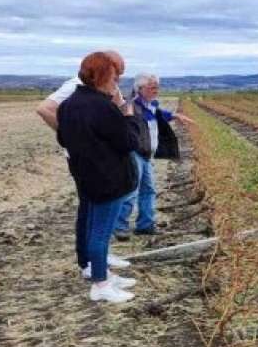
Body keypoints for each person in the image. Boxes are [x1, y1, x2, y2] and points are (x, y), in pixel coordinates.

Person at [36, 49, 132, 271]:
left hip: (96, 158)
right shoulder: (76, 88)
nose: (119, 79)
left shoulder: (99, 91)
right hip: (88, 161)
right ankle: (89, 263)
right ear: (106, 69)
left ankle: (99, 258)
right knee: (90, 212)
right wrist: (76, 139)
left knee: (99, 214)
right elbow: (44, 109)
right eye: (117, 73)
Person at [56, 52, 140, 304]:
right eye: (114, 76)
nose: (116, 82)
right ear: (104, 76)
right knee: (100, 234)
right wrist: (127, 115)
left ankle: (103, 274)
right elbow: (128, 142)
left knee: (93, 228)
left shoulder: (68, 105)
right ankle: (101, 285)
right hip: (108, 179)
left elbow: (62, 139)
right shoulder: (103, 107)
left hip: (85, 175)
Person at [115, 72, 195, 238]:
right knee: (131, 191)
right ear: (139, 88)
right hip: (133, 154)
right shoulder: (131, 106)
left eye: (157, 87)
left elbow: (159, 114)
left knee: (149, 190)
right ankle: (119, 227)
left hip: (146, 155)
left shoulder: (150, 105)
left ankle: (145, 225)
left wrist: (174, 115)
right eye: (152, 87)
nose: (155, 90)